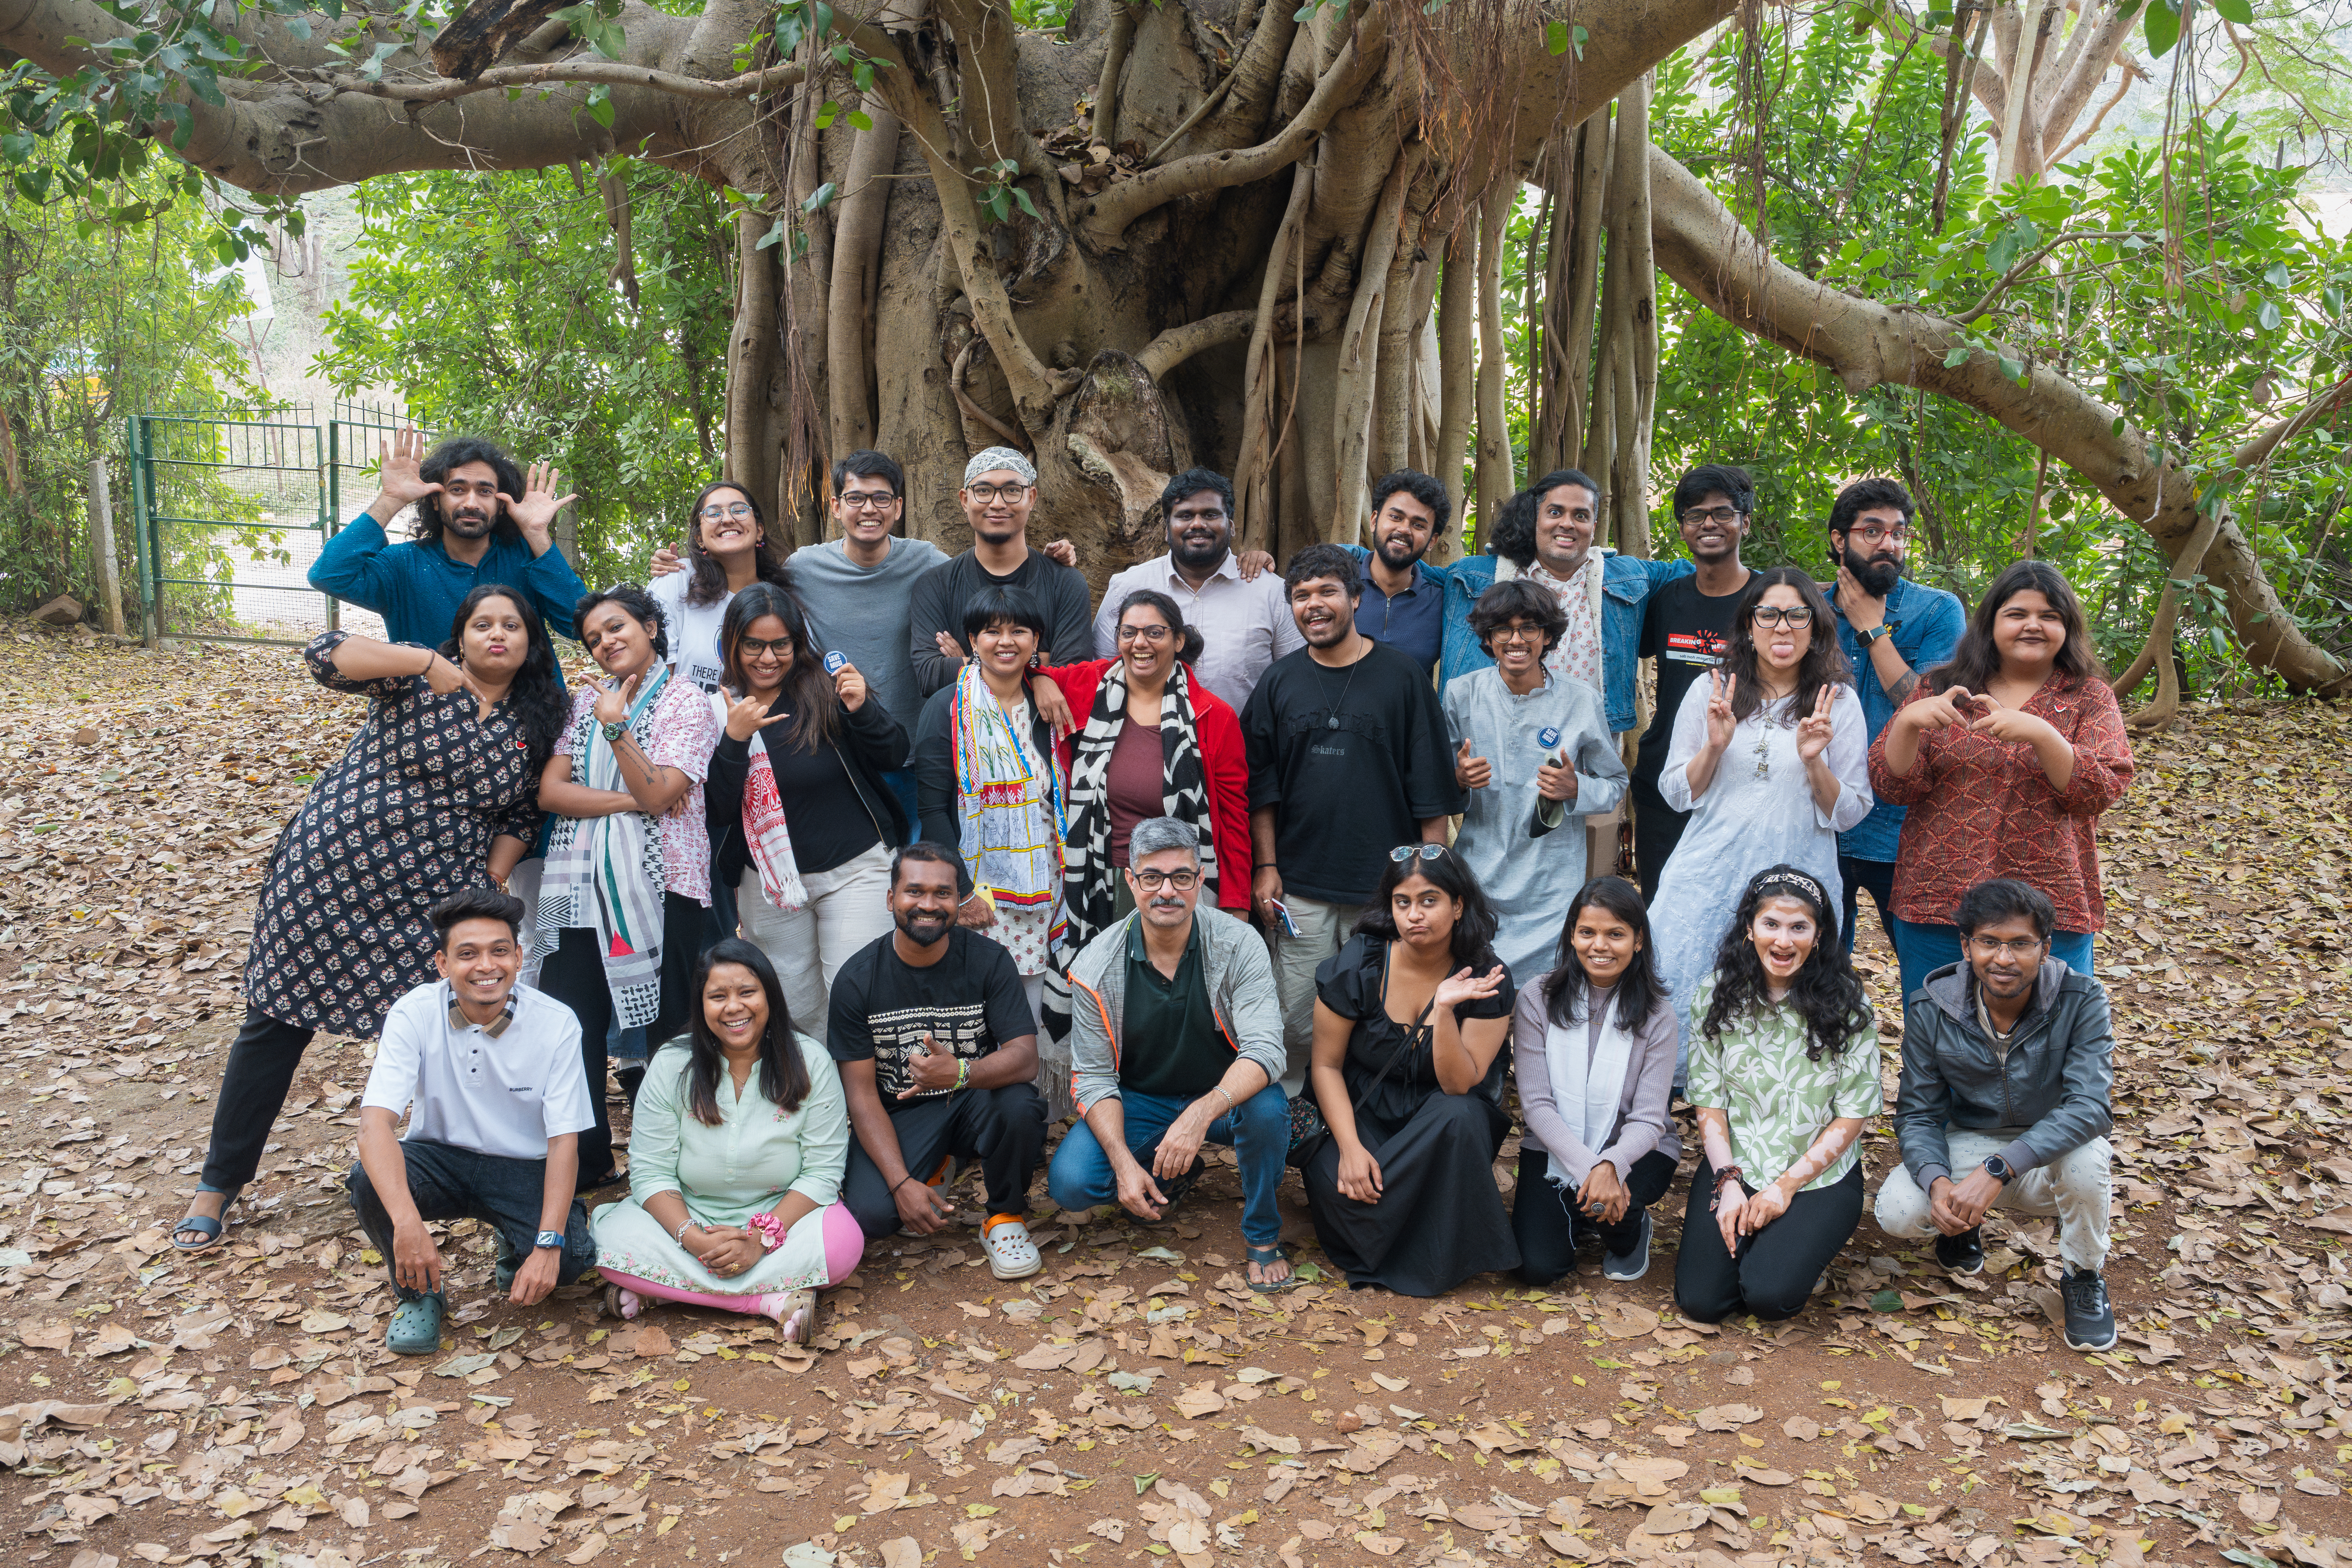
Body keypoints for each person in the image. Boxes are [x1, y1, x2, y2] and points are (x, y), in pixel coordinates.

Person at [173, 590, 567, 1252]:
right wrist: (419, 660)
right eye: (481, 624)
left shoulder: (539, 719)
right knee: (275, 1024)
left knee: (447, 1034)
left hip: (436, 901)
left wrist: (489, 882)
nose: (497, 635)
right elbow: (325, 655)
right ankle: (217, 1185)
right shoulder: (415, 676)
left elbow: (523, 816)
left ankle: (467, 1182)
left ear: (531, 642)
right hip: (331, 876)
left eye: (512, 626)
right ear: (460, 634)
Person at [1241, 545, 1464, 1089]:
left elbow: (1431, 790)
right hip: (1301, 885)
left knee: (1384, 1006)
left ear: (1356, 599)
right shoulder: (1279, 681)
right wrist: (1265, 866)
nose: (1313, 605)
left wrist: (1429, 877)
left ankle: (1372, 1109)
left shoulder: (1403, 677)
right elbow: (1261, 787)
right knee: (1296, 1012)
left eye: (1326, 592)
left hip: (1386, 888)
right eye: (1301, 596)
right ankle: (1298, 1112)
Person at [346, 889, 598, 1354]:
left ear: (519, 957)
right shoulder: (414, 1012)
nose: (486, 966)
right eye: (468, 954)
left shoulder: (556, 1022)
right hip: (441, 1159)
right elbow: (374, 1126)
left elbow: (565, 1141)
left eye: (499, 951)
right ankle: (420, 1296)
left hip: (523, 1167)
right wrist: (407, 1223)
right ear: (443, 965)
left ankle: (517, 1235)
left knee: (570, 1262)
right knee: (368, 1180)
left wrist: (546, 1245)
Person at [1048, 819, 1296, 1289]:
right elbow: (1094, 1077)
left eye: (1181, 877)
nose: (1167, 891)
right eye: (1152, 878)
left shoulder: (1238, 943)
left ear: (1200, 880)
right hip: (1142, 1100)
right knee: (1072, 1184)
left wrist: (1200, 1114)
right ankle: (1171, 1173)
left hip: (1223, 1097)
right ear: (1131, 881)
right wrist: (1123, 1163)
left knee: (1267, 1109)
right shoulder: (1094, 966)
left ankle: (1262, 1233)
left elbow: (1266, 1049)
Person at [1869, 561, 2134, 999]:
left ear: (2067, 627)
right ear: (1990, 622)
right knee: (1940, 1039)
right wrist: (1906, 726)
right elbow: (1894, 786)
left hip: (2050, 906)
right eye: (2016, 614)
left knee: (2049, 1041)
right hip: (1939, 902)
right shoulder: (1944, 688)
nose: (2032, 626)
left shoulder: (2088, 697)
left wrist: (2042, 735)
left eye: (2049, 616)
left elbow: (2100, 788)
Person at [531, 584, 722, 1188]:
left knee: (671, 1027)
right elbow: (552, 793)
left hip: (667, 882)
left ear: (648, 626)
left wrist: (620, 735)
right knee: (571, 1023)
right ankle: (587, 1164)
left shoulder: (689, 701)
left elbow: (667, 794)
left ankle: (676, 1166)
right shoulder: (586, 705)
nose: (606, 642)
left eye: (617, 627)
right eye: (593, 639)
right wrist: (631, 800)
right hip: (579, 881)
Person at [1874, 879, 2117, 1351]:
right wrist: (1937, 1181)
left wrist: (1998, 1170)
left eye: (2020, 944)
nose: (2003, 959)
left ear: (2044, 948)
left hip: (2049, 1149)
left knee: (2089, 1163)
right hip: (1970, 1139)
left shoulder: (2081, 999)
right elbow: (1918, 1112)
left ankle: (2083, 1274)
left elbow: (2089, 1107)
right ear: (1966, 946)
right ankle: (1961, 1227)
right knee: (1899, 1211)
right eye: (1988, 942)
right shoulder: (1931, 1006)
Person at [1646, 568, 1872, 1063]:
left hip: (1797, 876)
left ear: (1816, 627)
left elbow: (1850, 811)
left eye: (1797, 615)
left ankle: (1772, 1114)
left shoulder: (1837, 702)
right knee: (1684, 987)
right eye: (1767, 614)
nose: (1782, 627)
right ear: (1748, 625)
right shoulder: (1712, 691)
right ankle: (1677, 1096)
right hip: (1707, 874)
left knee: (1788, 1003)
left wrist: (1814, 760)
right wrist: (1714, 746)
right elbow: (1675, 793)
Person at [590, 939, 865, 1344]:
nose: (733, 1007)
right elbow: (650, 1170)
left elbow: (822, 1171)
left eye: (747, 993)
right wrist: (693, 1237)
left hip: (781, 1220)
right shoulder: (671, 1063)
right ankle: (768, 1303)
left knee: (842, 1245)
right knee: (609, 1240)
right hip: (688, 1216)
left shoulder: (810, 1061)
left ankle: (662, 1292)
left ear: (769, 996)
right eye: (717, 996)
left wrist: (758, 1241)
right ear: (701, 1006)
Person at [1301, 844, 1518, 1296]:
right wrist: (1350, 1147)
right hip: (1357, 1109)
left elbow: (1458, 1084)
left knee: (1458, 1116)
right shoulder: (1359, 964)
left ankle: (1402, 1230)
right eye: (1403, 902)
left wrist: (1443, 1010)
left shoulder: (1487, 976)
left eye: (1429, 901)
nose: (1414, 915)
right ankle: (1430, 1222)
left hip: (1436, 1119)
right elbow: (1324, 1065)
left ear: (1458, 906)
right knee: (1345, 1184)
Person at [827, 844, 1049, 1279]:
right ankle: (935, 1165)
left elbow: (1025, 1060)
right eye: (914, 892)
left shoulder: (988, 960)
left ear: (957, 901)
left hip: (974, 1102)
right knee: (873, 1217)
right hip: (900, 1113)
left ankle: (1004, 1219)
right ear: (891, 899)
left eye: (942, 893)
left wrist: (961, 1073)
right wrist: (899, 1182)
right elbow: (861, 1094)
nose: (928, 905)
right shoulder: (856, 980)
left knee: (1019, 1105)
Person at [1674, 867, 1880, 1324]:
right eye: (1771, 924)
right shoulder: (1715, 995)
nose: (1783, 942)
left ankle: (1794, 1252)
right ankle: (1760, 1246)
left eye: (1798, 928)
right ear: (1749, 928)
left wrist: (1784, 1188)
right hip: (1737, 1164)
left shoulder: (1849, 1004)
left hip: (1814, 1177)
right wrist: (1727, 1181)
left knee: (1770, 1298)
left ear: (1818, 934)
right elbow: (1709, 1102)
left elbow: (1851, 1116)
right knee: (1701, 1303)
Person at [707, 582, 908, 1042]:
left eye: (781, 645)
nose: (767, 658)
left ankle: (870, 1106)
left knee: (854, 993)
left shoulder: (827, 689)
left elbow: (894, 754)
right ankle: (818, 1105)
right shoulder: (719, 710)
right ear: (733, 644)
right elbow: (718, 810)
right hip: (771, 883)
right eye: (753, 645)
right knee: (792, 1006)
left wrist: (863, 711)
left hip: (855, 868)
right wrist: (734, 742)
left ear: (798, 644)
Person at [1043, 589, 1251, 967]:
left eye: (1154, 632)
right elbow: (1021, 674)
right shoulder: (1091, 685)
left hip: (1177, 887)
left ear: (1178, 640)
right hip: (1102, 880)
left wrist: (1236, 902)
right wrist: (1042, 680)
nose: (1139, 642)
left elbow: (1235, 818)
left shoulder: (1213, 716)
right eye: (1128, 632)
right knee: (1106, 1000)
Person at [1445, 579, 1629, 985]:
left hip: (1550, 886)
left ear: (1546, 636)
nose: (1516, 640)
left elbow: (1615, 783)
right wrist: (1456, 778)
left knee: (1539, 1003)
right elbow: (1434, 785)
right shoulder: (1461, 695)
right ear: (1487, 638)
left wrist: (1575, 788)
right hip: (1478, 877)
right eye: (1502, 629)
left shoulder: (1581, 700)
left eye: (1528, 628)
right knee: (1480, 999)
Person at [1437, 467, 1700, 739]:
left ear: (1594, 526)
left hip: (1586, 757)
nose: (1567, 523)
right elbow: (1409, 578)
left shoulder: (1627, 577)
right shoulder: (1472, 577)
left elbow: (1705, 575)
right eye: (1555, 512)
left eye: (1581, 515)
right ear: (1535, 518)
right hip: (1491, 748)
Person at [914, 586, 1071, 1039]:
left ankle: (1032, 1106)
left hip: (1046, 884)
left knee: (1033, 1013)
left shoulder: (1049, 708)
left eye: (1019, 630)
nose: (1005, 642)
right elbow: (933, 811)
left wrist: (1042, 676)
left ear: (1036, 639)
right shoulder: (946, 708)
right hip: (976, 889)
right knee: (976, 1013)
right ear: (972, 640)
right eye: (991, 631)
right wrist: (960, 894)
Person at [1509, 877, 1680, 1286]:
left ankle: (1628, 1233)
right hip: (1555, 1142)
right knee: (1538, 1268)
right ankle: (1582, 1208)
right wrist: (1593, 1170)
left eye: (1615, 934)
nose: (1599, 946)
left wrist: (1611, 1165)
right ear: (1572, 936)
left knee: (1611, 1216)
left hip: (1636, 1148)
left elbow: (1647, 1119)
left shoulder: (1658, 1015)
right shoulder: (1537, 997)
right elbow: (1536, 1104)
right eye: (1587, 932)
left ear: (1638, 941)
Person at [1822, 479, 1966, 951]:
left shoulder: (1937, 610)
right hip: (1818, 822)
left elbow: (1928, 711)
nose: (1889, 544)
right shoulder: (1804, 612)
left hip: (1907, 828)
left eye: (1898, 533)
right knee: (1814, 975)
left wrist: (1869, 629)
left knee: (1930, 976)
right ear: (1839, 540)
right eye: (1872, 531)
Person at [784, 451, 948, 835]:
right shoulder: (802, 569)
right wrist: (685, 568)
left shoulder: (929, 562)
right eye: (856, 498)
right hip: (838, 759)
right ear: (837, 507)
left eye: (881, 498)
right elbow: (745, 594)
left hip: (916, 757)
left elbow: (988, 591)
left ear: (898, 507)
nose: (868, 509)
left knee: (919, 881)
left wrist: (1053, 564)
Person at [309, 427, 588, 644]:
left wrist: (537, 534)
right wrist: (391, 499)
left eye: (485, 491)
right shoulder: (402, 565)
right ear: (434, 499)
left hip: (528, 711)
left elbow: (581, 627)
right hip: (430, 714)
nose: (471, 503)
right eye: (457, 490)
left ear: (501, 504)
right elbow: (329, 574)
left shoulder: (528, 560)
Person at [1626, 465, 1760, 900]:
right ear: (1682, 528)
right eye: (1694, 514)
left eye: (1722, 513)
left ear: (1745, 522)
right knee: (1660, 903)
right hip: (1665, 776)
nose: (1708, 524)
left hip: (1739, 783)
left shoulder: (1768, 601)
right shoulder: (1667, 599)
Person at [1092, 468, 1295, 713]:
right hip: (1148, 745)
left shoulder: (1271, 592)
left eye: (1210, 515)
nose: (1198, 524)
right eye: (1185, 516)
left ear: (1231, 526)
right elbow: (1100, 672)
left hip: (1244, 748)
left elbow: (1294, 681)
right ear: (1167, 529)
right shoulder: (1127, 587)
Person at [909, 448, 1095, 695]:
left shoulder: (1065, 583)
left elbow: (1073, 678)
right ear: (965, 500)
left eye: (1012, 491)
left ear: (1032, 498)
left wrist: (970, 660)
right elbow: (930, 676)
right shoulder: (936, 585)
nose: (998, 504)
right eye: (984, 491)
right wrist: (1040, 666)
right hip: (960, 731)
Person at [647, 478, 802, 694]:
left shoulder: (781, 596)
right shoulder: (677, 578)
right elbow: (655, 670)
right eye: (713, 513)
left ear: (759, 531)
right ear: (700, 538)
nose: (728, 519)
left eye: (739, 510)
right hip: (683, 725)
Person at [1343, 469, 1455, 676]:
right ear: (1375, 521)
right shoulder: (1337, 586)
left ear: (1432, 541)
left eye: (1418, 525)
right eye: (1396, 517)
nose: (1404, 529)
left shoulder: (1444, 604)